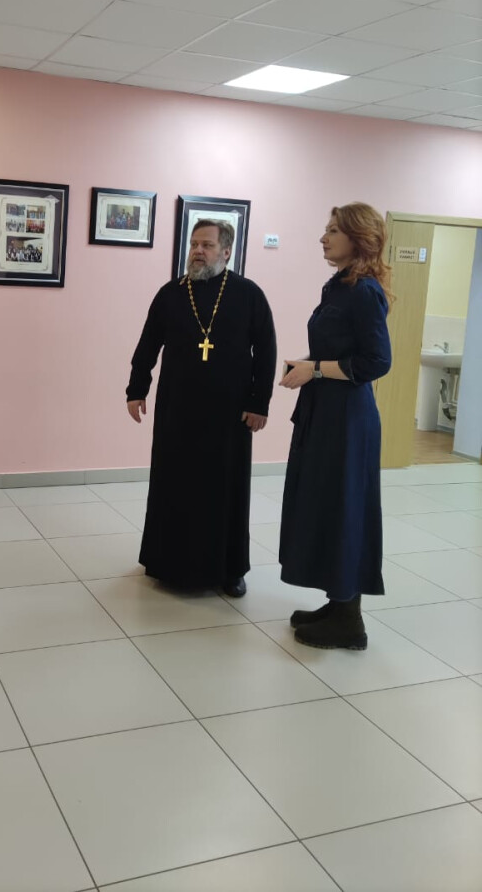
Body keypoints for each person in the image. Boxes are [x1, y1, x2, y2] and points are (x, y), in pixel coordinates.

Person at [127, 220, 277, 595]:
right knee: (174, 485)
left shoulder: (248, 294)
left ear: (226, 251)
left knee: (225, 489)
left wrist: (260, 402)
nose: (197, 251)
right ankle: (167, 564)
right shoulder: (171, 294)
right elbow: (148, 344)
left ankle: (229, 570)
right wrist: (136, 389)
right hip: (177, 410)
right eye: (194, 244)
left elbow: (266, 351)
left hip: (230, 414)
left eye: (206, 245)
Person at [278, 202, 392, 651]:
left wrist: (316, 370)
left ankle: (350, 621)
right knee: (326, 504)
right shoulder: (338, 286)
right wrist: (307, 365)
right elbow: (337, 349)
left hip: (347, 419)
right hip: (325, 410)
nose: (323, 238)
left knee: (344, 507)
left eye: (333, 231)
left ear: (358, 238)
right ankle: (339, 601)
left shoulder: (364, 292)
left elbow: (376, 361)